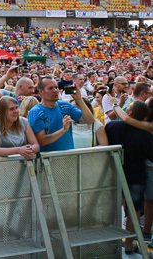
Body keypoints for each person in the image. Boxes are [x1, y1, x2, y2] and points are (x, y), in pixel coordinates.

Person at [105, 100, 153, 254]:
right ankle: (129, 245)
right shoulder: (146, 134)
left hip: (111, 173)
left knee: (109, 207)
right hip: (135, 176)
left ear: (130, 113)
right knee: (134, 210)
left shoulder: (112, 126)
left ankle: (107, 242)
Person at [28, 76, 95, 152]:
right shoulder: (36, 112)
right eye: (51, 88)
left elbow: (90, 120)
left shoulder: (66, 106)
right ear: (41, 92)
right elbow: (42, 141)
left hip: (68, 156)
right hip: (48, 159)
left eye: (56, 87)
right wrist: (63, 130)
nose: (55, 90)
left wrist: (79, 100)